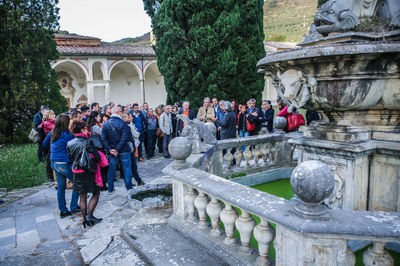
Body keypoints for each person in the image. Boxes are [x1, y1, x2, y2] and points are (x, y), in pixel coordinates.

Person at [43, 114, 79, 218]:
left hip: (54, 162)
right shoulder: (67, 135)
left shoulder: (52, 133)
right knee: (77, 183)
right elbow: (74, 147)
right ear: (66, 123)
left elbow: (45, 144)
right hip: (64, 163)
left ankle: (63, 210)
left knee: (61, 186)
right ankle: (74, 206)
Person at [67, 121, 102, 228]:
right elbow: (98, 157)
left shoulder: (70, 143)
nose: (87, 130)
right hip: (87, 172)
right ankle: (90, 216)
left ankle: (85, 219)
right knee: (96, 192)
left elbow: (70, 158)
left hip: (76, 172)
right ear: (82, 130)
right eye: (85, 128)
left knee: (82, 196)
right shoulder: (88, 142)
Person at [101, 107, 133, 194]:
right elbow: (125, 138)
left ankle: (110, 188)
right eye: (122, 111)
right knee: (126, 169)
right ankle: (129, 188)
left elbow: (103, 139)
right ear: (118, 112)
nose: (123, 113)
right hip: (123, 150)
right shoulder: (123, 123)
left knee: (111, 169)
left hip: (112, 151)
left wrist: (110, 149)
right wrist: (117, 149)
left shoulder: (106, 124)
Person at [87, 111, 108, 191]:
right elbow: (103, 133)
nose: (100, 118)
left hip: (96, 147)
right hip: (98, 148)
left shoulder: (93, 126)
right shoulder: (95, 127)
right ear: (95, 117)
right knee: (102, 167)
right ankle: (101, 185)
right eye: (99, 116)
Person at [123, 113, 145, 186]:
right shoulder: (127, 126)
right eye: (127, 117)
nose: (129, 118)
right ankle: (134, 182)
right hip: (130, 147)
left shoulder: (130, 124)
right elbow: (135, 134)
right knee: (131, 166)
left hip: (132, 146)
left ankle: (135, 181)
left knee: (131, 166)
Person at [39, 109, 56, 182]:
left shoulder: (52, 122)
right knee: (49, 159)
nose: (54, 115)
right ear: (48, 116)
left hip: (52, 141)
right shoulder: (47, 123)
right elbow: (55, 128)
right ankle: (50, 176)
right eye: (52, 114)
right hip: (49, 142)